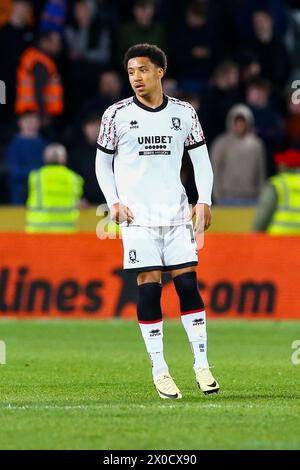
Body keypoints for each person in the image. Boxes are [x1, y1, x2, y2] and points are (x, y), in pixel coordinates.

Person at [95, 43, 219, 400]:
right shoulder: (115, 115)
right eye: (132, 71)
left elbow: (202, 161)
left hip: (177, 214)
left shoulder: (183, 113)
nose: (136, 77)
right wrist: (113, 202)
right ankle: (160, 369)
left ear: (160, 72)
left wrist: (204, 200)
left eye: (144, 70)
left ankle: (201, 364)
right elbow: (102, 163)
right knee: (149, 286)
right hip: (138, 218)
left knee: (186, 285)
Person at [210, 104, 266, 205]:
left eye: (243, 122)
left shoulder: (256, 145)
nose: (240, 125)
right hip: (226, 198)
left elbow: (260, 171)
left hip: (251, 198)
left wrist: (260, 195)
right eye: (237, 122)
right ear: (231, 122)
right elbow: (215, 171)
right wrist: (217, 196)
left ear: (248, 123)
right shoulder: (221, 143)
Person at [26, 143, 83, 233]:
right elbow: (78, 200)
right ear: (63, 158)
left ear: (45, 157)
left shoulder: (35, 177)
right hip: (65, 231)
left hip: (38, 230)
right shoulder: (74, 178)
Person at [253, 148, 300, 234]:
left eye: (281, 163)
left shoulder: (277, 184)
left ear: (285, 166)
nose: (278, 165)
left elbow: (264, 213)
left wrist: (255, 233)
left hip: (279, 238)